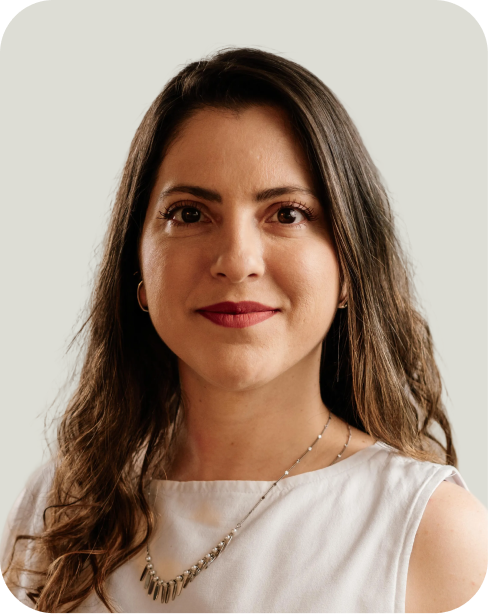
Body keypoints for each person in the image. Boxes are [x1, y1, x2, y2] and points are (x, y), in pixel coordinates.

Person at [1, 46, 487, 614]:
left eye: (287, 214)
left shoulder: (432, 533)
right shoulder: (56, 506)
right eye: (189, 213)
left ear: (350, 269)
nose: (236, 261)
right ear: (137, 268)